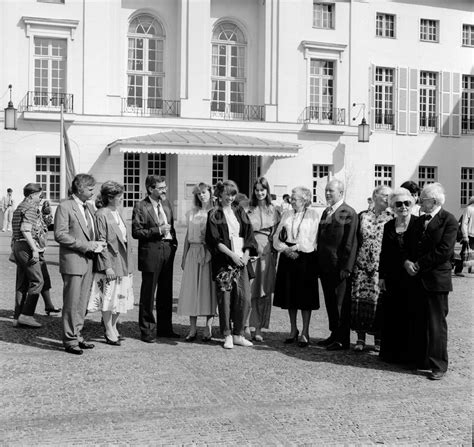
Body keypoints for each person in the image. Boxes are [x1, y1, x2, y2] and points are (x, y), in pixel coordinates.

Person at [404, 183, 458, 380]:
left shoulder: (449, 220)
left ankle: (438, 365)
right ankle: (420, 359)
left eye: (423, 199)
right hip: (417, 279)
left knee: (436, 324)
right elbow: (409, 245)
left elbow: (444, 250)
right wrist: (407, 262)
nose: (420, 201)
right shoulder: (418, 221)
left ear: (433, 201)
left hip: (436, 279)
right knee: (418, 320)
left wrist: (418, 264)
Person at [54, 174, 106, 355]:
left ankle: (77, 334)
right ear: (80, 188)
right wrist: (86, 246)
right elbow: (60, 234)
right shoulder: (65, 206)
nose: (93, 192)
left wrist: (98, 243)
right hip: (73, 261)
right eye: (90, 189)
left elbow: (90, 233)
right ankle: (69, 339)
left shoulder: (89, 207)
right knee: (72, 302)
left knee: (82, 302)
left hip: (88, 261)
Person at [205, 180, 258, 349]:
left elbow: (249, 235)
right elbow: (214, 240)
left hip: (242, 261)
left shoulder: (239, 210)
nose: (230, 197)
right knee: (225, 299)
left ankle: (238, 333)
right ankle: (227, 334)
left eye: (233, 194)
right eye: (227, 194)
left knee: (244, 298)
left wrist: (246, 255)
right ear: (220, 194)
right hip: (224, 261)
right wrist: (232, 255)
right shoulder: (214, 214)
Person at [132, 175, 179, 343]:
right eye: (161, 188)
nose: (164, 190)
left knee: (166, 293)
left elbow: (171, 227)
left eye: (165, 187)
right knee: (148, 294)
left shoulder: (166, 204)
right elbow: (136, 232)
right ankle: (147, 331)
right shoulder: (141, 206)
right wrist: (157, 230)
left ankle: (165, 329)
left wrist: (173, 246)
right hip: (151, 252)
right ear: (151, 189)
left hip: (167, 250)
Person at [87, 181, 134, 346]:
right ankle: (108, 328)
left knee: (121, 296)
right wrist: (107, 266)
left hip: (123, 261)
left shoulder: (117, 212)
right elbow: (102, 241)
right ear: (110, 197)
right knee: (108, 297)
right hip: (111, 262)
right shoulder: (102, 214)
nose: (122, 198)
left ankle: (113, 325)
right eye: (119, 195)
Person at [273, 186, 319, 347]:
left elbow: (313, 238)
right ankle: (293, 329)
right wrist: (284, 248)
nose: (291, 201)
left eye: (295, 199)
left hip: (305, 257)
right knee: (290, 296)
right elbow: (277, 235)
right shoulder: (286, 214)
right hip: (288, 257)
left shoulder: (313, 215)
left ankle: (305, 331)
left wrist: (296, 247)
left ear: (305, 199)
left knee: (305, 296)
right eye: (291, 199)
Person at [378, 188, 418, 365]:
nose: (403, 207)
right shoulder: (388, 225)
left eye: (406, 203)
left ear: (412, 204)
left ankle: (409, 356)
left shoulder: (418, 223)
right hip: (393, 276)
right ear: (393, 207)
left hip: (413, 276)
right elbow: (385, 253)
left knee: (410, 315)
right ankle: (391, 354)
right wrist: (381, 276)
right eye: (398, 204)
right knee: (393, 315)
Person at [317, 179, 358, 351]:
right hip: (326, 266)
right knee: (331, 302)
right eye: (326, 190)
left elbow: (350, 242)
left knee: (340, 304)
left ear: (341, 193)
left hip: (339, 267)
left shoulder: (346, 212)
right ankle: (334, 334)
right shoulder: (327, 211)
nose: (327, 194)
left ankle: (342, 339)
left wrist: (346, 267)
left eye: (331, 191)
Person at [350, 185, 393, 352]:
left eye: (389, 196)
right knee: (360, 302)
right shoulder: (362, 216)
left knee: (379, 303)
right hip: (361, 267)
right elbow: (356, 240)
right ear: (375, 196)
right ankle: (360, 339)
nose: (387, 199)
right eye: (384, 195)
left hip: (379, 267)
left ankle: (378, 340)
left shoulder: (391, 217)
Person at [178, 182, 217, 342]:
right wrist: (183, 256)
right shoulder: (192, 213)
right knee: (192, 290)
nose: (202, 195)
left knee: (208, 289)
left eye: (204, 192)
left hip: (208, 253)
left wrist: (211, 252)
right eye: (199, 193)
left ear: (210, 193)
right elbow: (188, 236)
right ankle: (192, 328)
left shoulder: (215, 212)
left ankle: (208, 327)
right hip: (193, 252)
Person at [247, 177, 280, 342]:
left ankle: (258, 327)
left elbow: (279, 234)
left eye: (263, 190)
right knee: (248, 290)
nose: (259, 193)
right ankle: (245, 326)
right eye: (257, 190)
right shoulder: (248, 209)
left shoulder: (274, 210)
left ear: (267, 191)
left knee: (263, 291)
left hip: (267, 253)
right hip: (251, 252)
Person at [11, 183, 45, 328]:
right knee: (38, 281)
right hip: (27, 246)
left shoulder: (19, 206)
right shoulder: (31, 207)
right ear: (32, 195)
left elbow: (16, 230)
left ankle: (17, 317)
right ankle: (27, 315)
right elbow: (26, 229)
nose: (41, 198)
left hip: (18, 245)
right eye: (40, 195)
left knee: (22, 283)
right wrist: (35, 249)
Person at [454, 196, 474, 276]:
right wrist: (465, 235)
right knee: (464, 253)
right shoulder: (469, 209)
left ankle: (471, 268)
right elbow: (464, 223)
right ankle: (458, 270)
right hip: (470, 234)